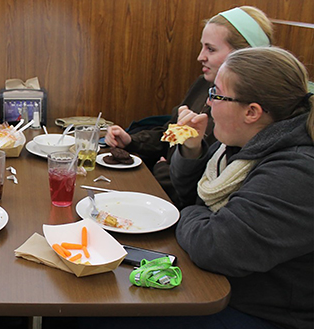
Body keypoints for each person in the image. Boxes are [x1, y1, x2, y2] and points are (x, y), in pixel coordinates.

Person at [170, 47, 313, 329]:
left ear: (252, 112)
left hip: (265, 315)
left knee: (96, 316)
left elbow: (214, 246)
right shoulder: (237, 147)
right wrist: (191, 147)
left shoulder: (296, 171)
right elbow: (191, 196)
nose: (208, 104)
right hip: (223, 290)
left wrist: (185, 213)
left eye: (216, 94)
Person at [104, 6, 272, 207]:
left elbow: (210, 185)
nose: (200, 56)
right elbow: (174, 134)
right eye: (202, 47)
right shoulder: (203, 84)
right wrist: (133, 141)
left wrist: (165, 172)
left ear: (244, 55)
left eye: (211, 49)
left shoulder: (248, 115)